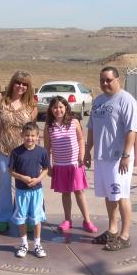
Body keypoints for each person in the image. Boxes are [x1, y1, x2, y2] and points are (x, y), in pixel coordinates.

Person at [83, 66, 137, 251]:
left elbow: (132, 130)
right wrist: (87, 151)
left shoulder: (126, 100)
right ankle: (112, 230)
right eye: (102, 80)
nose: (105, 83)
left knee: (121, 195)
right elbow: (91, 128)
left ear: (117, 79)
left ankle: (125, 235)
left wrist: (126, 155)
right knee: (109, 195)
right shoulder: (98, 101)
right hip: (101, 156)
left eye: (108, 80)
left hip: (118, 158)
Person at [0, 70, 38, 234]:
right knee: (4, 185)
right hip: (1, 150)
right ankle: (3, 219)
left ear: (28, 87)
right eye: (18, 82)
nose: (20, 86)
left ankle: (28, 218)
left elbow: (32, 129)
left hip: (23, 152)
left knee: (25, 185)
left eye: (24, 84)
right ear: (12, 82)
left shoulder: (31, 106)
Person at [43, 96, 98, 233]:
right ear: (51, 109)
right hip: (60, 166)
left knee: (79, 192)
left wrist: (82, 155)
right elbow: (46, 148)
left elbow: (80, 139)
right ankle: (67, 220)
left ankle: (87, 221)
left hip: (75, 164)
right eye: (55, 107)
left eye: (61, 107)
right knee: (66, 193)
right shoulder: (48, 126)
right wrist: (48, 166)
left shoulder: (74, 122)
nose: (58, 110)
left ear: (66, 107)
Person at [10, 122, 50, 258]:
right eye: (27, 135)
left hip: (37, 191)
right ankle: (24, 244)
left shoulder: (42, 152)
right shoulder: (16, 152)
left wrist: (38, 179)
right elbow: (10, 171)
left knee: (36, 218)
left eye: (33, 135)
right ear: (22, 135)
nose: (30, 138)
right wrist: (22, 177)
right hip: (21, 192)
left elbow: (46, 169)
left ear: (37, 136)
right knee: (21, 219)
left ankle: (37, 244)